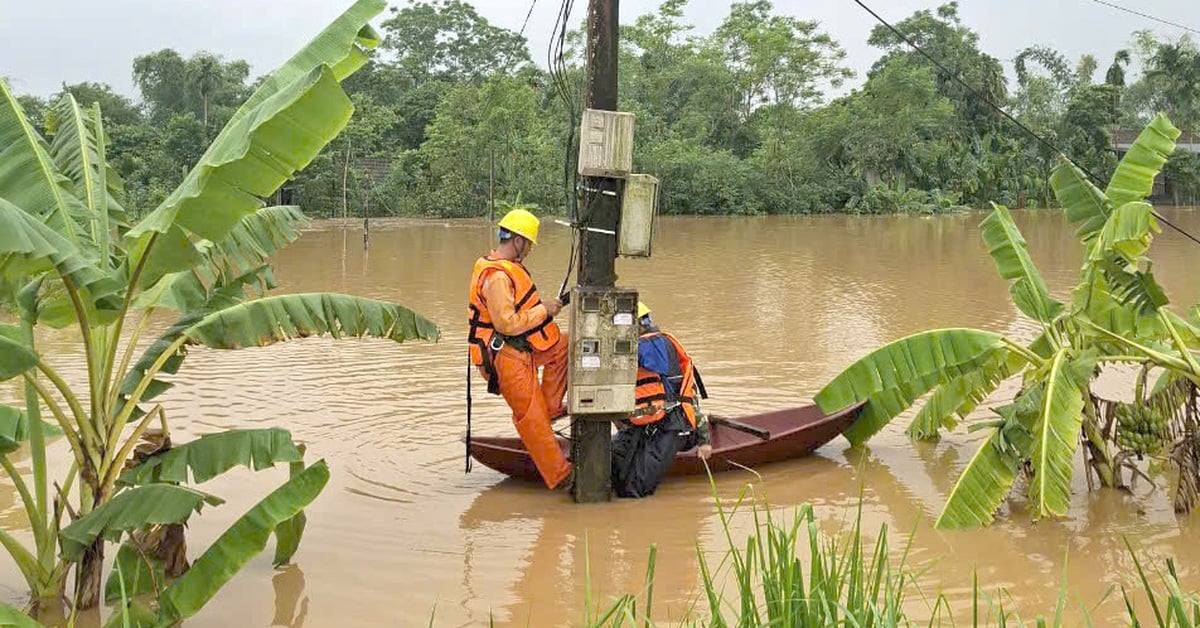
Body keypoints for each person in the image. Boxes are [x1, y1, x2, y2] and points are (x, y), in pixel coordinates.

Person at [467, 208, 572, 490]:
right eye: (528, 246)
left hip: (525, 348)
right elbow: (507, 324)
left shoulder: (504, 268)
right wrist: (544, 310)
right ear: (518, 241)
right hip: (506, 356)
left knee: (564, 344)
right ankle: (563, 478)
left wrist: (546, 310)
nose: (528, 252)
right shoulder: (497, 277)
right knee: (531, 418)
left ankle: (549, 406)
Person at [611, 302, 711, 498]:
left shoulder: (658, 347)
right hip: (644, 424)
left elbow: (688, 399)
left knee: (635, 488)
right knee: (612, 460)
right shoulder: (629, 350)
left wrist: (704, 440)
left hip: (674, 425)